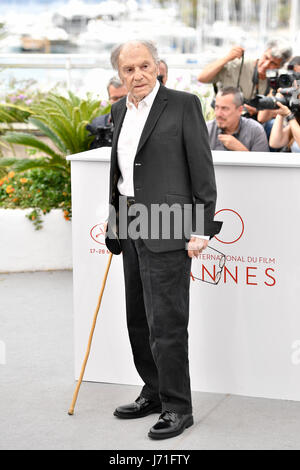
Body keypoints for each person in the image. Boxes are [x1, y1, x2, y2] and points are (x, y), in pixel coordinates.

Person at [105, 40, 222, 440]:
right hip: (131, 220)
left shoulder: (184, 104)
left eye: (144, 66)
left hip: (169, 224)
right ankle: (153, 391)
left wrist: (202, 227)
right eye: (128, 69)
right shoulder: (119, 108)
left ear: (158, 66)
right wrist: (114, 223)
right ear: (119, 75)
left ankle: (178, 407)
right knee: (138, 317)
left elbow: (202, 171)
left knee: (167, 323)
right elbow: (121, 174)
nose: (137, 75)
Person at [198, 39, 292, 117]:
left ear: (280, 66)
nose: (266, 65)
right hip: (223, 118)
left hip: (253, 124)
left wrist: (257, 111)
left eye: (273, 63)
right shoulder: (238, 64)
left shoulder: (278, 80)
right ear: (263, 53)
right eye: (266, 58)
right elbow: (202, 78)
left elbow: (273, 113)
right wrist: (227, 58)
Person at [207, 87, 269, 152]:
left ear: (240, 110)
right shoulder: (206, 130)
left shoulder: (255, 131)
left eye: (224, 108)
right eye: (216, 107)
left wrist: (241, 150)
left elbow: (261, 161)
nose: (218, 114)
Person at [88, 77, 127, 149]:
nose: (119, 101)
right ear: (109, 99)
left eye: (123, 97)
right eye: (115, 98)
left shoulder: (141, 121)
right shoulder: (98, 123)